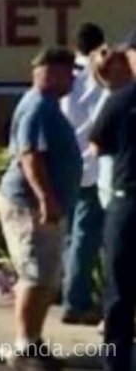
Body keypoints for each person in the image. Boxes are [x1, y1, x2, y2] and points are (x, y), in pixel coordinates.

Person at [0, 46, 83, 369]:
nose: (73, 79)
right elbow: (30, 157)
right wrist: (46, 198)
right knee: (34, 274)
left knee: (45, 275)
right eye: (69, 72)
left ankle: (34, 340)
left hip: (44, 205)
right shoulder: (37, 108)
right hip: (28, 205)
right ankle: (23, 347)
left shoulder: (47, 106)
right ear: (52, 72)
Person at [89, 32, 136, 371]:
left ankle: (116, 363)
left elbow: (97, 144)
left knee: (120, 291)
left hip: (128, 204)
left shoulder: (121, 99)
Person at [60, 23, 107, 324]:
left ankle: (65, 290)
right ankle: (76, 301)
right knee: (85, 237)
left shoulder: (65, 75)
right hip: (90, 166)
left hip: (63, 166)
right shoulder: (99, 77)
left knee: (67, 236)